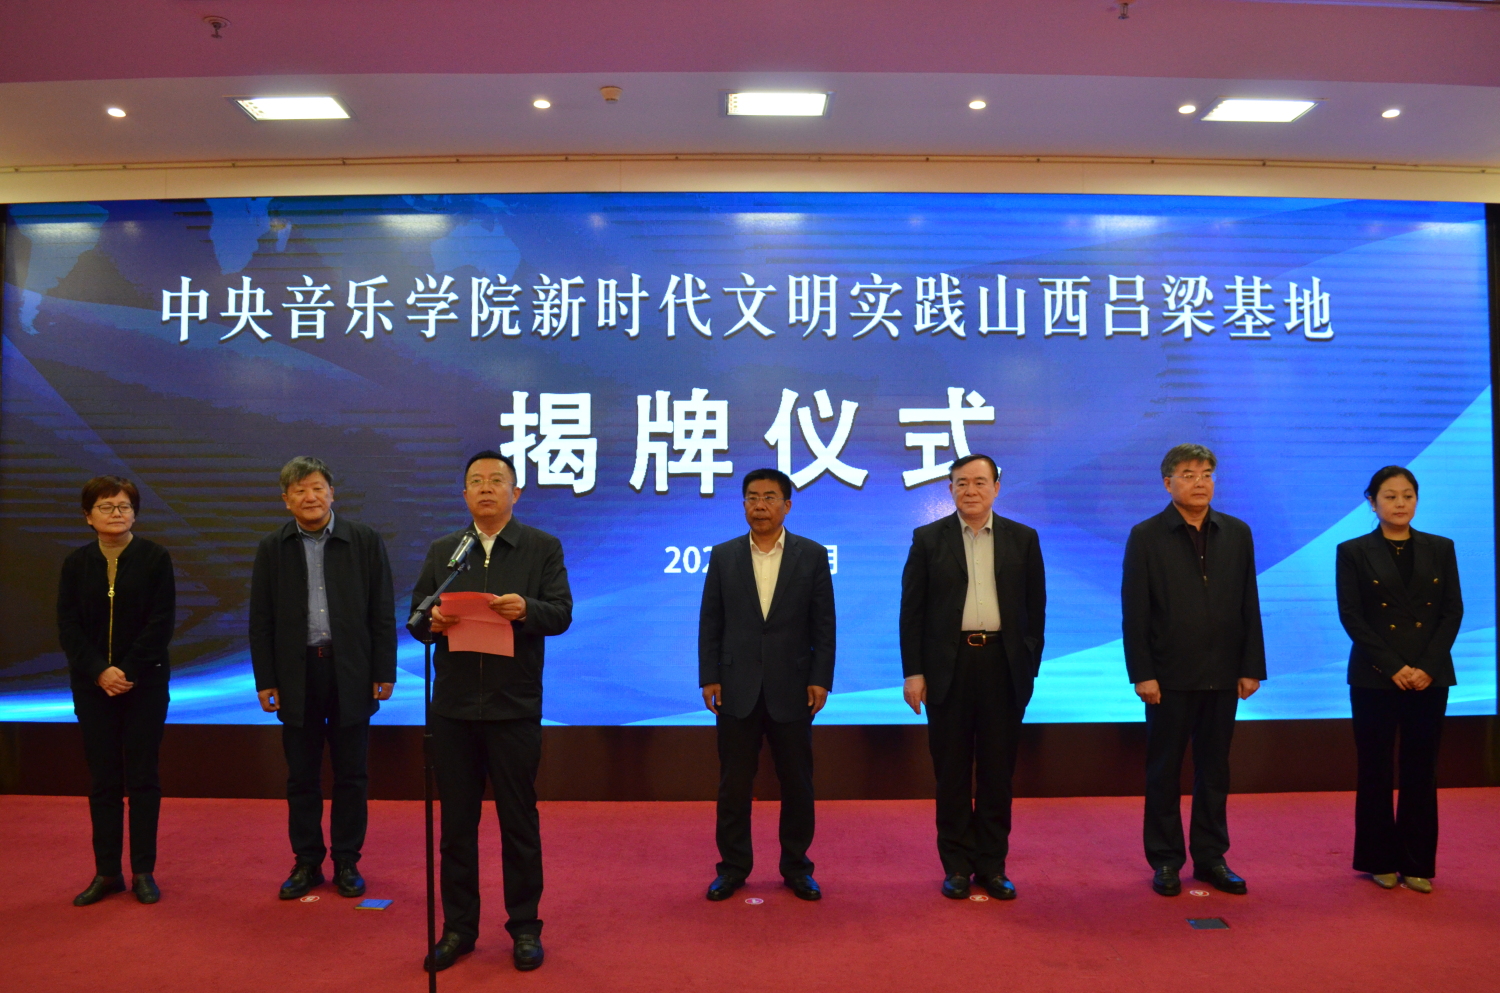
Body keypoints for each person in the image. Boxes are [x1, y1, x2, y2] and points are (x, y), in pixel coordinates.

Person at [410, 451, 572, 974]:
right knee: (456, 827)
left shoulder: (541, 547)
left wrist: (526, 609)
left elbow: (561, 613)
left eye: (496, 481)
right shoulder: (446, 551)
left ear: (515, 492)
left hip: (513, 708)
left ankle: (524, 928)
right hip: (453, 711)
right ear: (464, 495)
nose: (485, 488)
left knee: (518, 823)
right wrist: (432, 623)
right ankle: (458, 929)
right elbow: (417, 616)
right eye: (475, 481)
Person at [249, 456, 396, 901]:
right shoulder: (272, 547)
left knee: (352, 773)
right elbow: (261, 619)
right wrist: (265, 679)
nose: (309, 497)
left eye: (317, 488)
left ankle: (348, 861)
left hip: (350, 670)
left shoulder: (363, 540)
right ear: (286, 500)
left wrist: (384, 670)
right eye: (299, 491)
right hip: (296, 674)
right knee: (301, 776)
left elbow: (381, 611)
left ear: (332, 493)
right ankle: (307, 862)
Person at [899, 454, 1046, 901]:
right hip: (949, 667)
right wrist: (914, 672)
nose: (971, 490)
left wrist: (1028, 665)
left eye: (980, 482)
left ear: (996, 487)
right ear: (950, 490)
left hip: (1003, 665)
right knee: (952, 773)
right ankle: (957, 866)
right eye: (961, 483)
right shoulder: (928, 539)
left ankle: (992, 866)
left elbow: (1035, 610)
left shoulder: (1023, 538)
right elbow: (912, 612)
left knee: (998, 773)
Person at [1122, 443, 1265, 898]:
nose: (1200, 482)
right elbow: (1135, 611)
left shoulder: (1236, 532)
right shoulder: (1146, 535)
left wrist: (1251, 666)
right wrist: (1142, 673)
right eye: (1188, 474)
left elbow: (1248, 603)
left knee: (1215, 770)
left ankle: (1211, 857)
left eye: (1206, 474)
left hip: (1223, 673)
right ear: (1168, 483)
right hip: (1168, 678)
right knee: (1164, 771)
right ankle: (1166, 859)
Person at [699, 468, 836, 903]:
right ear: (743, 504)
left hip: (793, 687)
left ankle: (797, 867)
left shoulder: (811, 555)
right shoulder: (724, 555)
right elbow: (711, 621)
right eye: (752, 497)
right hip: (735, 686)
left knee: (797, 783)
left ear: (787, 505)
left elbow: (824, 625)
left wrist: (820, 679)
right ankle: (732, 868)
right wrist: (709, 676)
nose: (760, 505)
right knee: (734, 785)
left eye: (770, 497)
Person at [1336, 466, 1462, 894]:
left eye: (1408, 495)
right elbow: (1352, 616)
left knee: (1421, 769)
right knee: (1375, 769)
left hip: (1430, 676)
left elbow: (1452, 611)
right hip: (1375, 676)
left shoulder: (1440, 547)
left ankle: (1417, 862)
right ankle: (1378, 860)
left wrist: (1427, 666)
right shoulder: (1353, 551)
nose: (1400, 503)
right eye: (1390, 496)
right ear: (1372, 502)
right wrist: (1393, 667)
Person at [58, 476, 175, 907]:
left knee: (143, 778)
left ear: (135, 513)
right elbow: (68, 626)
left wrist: (125, 670)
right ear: (88, 516)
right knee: (104, 780)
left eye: (124, 506)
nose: (117, 513)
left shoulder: (155, 558)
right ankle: (107, 872)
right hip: (93, 688)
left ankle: (143, 871)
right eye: (106, 507)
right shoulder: (76, 563)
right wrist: (99, 672)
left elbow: (161, 623)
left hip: (145, 684)